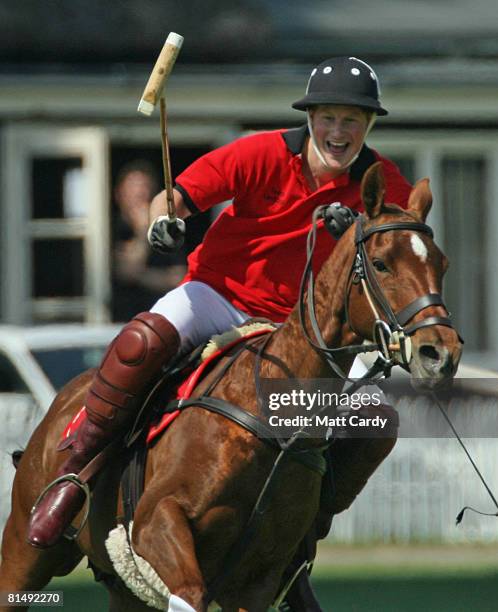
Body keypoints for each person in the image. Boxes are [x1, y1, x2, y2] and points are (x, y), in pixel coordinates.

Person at [28, 57, 412, 557]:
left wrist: (358, 235)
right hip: (220, 296)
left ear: (369, 124)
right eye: (329, 118)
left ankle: (298, 541)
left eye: (352, 120)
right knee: (140, 342)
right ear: (311, 117)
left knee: (373, 421)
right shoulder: (262, 153)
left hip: (301, 329)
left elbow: (403, 250)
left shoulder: (379, 181)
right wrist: (161, 221)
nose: (339, 132)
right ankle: (71, 474)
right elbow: (175, 196)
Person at [111, 161, 187, 321]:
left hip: (160, 318)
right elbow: (126, 272)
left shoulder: (167, 229)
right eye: (132, 189)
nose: (139, 195)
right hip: (119, 320)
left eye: (144, 188)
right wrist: (142, 231)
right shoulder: (110, 229)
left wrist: (140, 276)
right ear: (118, 194)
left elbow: (180, 276)